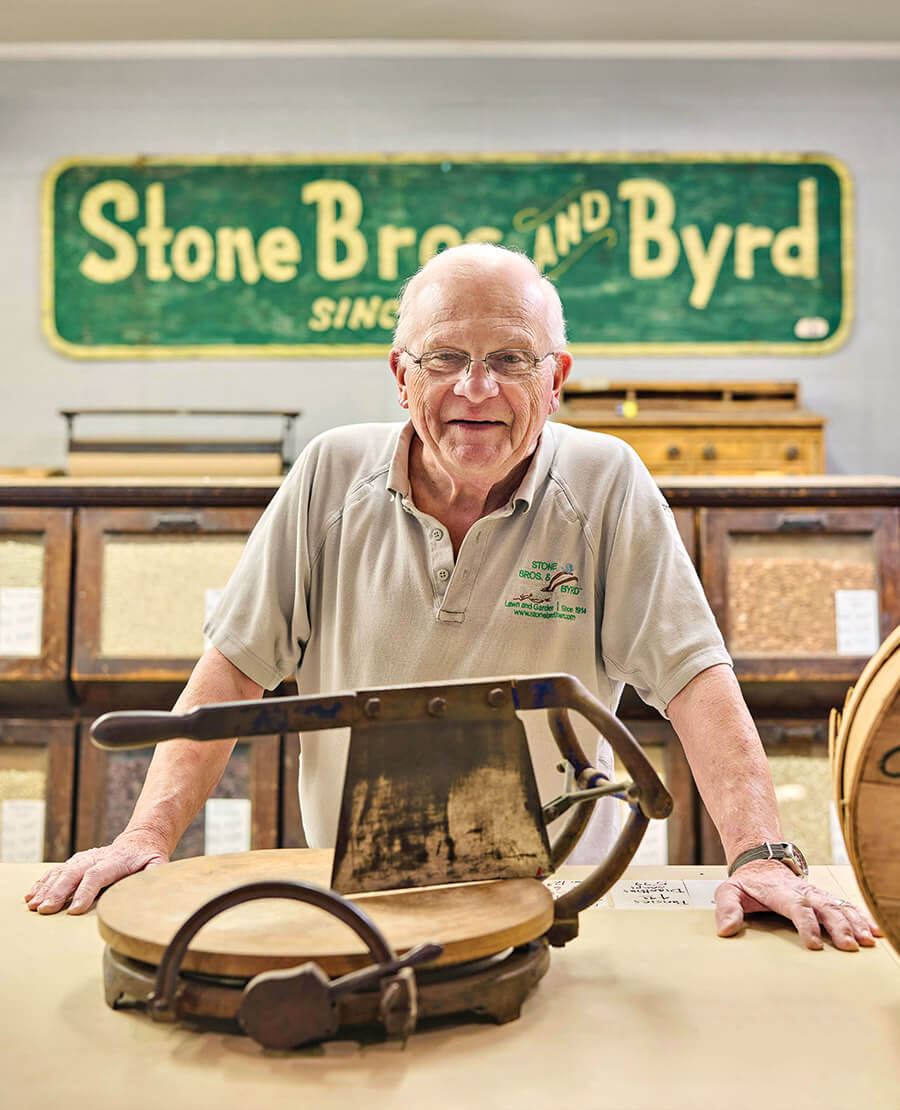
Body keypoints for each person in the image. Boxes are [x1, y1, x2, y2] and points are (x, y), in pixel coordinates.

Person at [26, 244, 879, 953]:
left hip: (549, 905)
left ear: (555, 379)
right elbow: (232, 674)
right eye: (445, 359)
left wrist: (760, 855)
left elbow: (695, 679)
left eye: (510, 359)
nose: (476, 389)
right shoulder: (330, 474)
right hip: (351, 908)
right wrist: (145, 837)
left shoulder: (606, 483)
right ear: (401, 375)